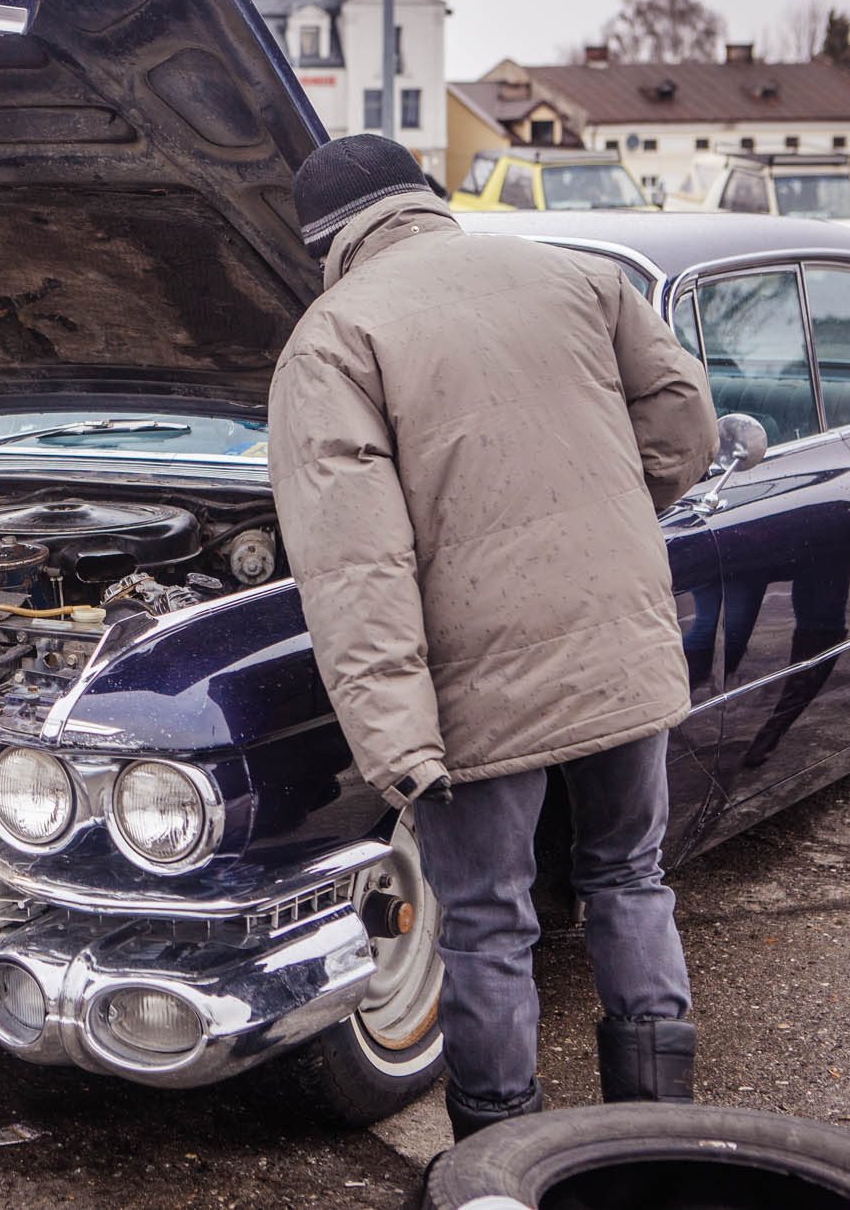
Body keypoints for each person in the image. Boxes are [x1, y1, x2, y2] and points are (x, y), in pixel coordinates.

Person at [263, 135, 718, 1139]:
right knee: (627, 877)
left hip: (479, 682)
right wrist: (606, 514)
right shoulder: (579, 277)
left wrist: (397, 748)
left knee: (483, 923)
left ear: (323, 243)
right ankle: (655, 1135)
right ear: (421, 201)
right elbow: (686, 424)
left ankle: (497, 1164)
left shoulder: (332, 338)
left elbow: (355, 569)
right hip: (619, 646)